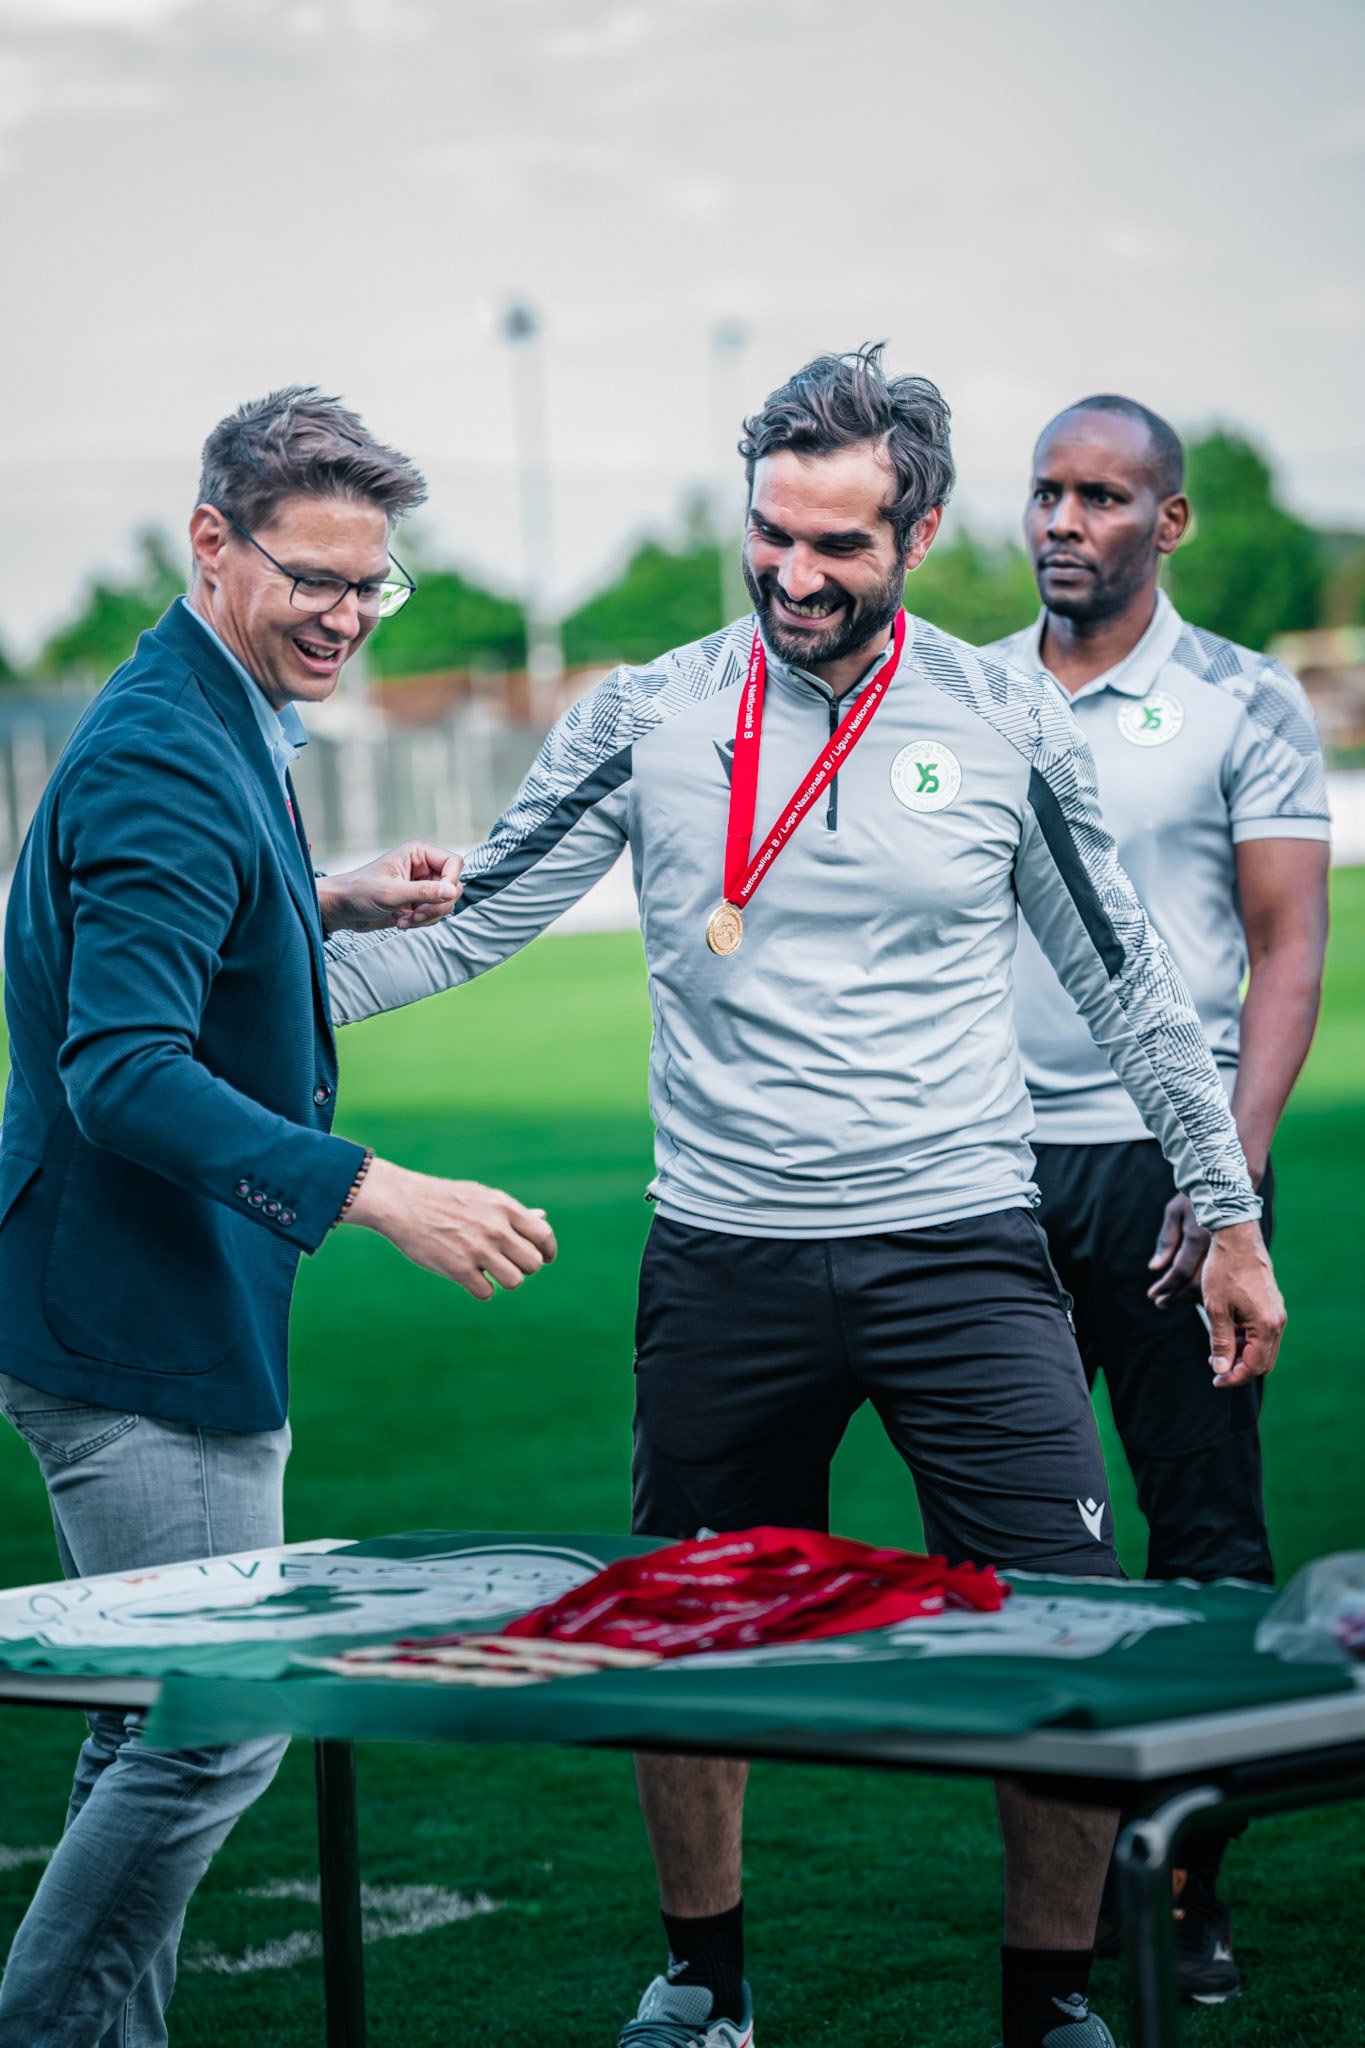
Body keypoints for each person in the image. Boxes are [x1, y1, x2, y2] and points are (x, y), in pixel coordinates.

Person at [325, 348, 1284, 2048]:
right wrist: (233, 986)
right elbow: (474, 924)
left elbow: (1132, 989)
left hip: (957, 1248)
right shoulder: (645, 708)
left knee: (1054, 1635)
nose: (793, 574)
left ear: (913, 534)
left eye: (838, 544)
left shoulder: (997, 721)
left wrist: (1223, 1209)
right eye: (770, 534)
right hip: (724, 1255)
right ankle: (703, 1980)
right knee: (682, 1635)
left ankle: (1049, 2001)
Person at [0, 388, 557, 2048]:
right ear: (212, 546)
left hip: (154, 1295)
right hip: (131, 1319)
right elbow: (123, 1072)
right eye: (311, 577)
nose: (342, 616)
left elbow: (150, 933)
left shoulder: (204, 705)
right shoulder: (170, 746)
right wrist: (377, 1190)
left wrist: (317, 897)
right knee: (218, 1717)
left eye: (367, 585)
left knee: (155, 1719)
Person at [986, 395, 1329, 2003]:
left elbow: (1286, 948)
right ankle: (1057, 1890)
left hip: (1165, 1166)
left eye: (1101, 495)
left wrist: (1227, 1174)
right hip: (979, 1165)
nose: (1063, 520)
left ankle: (1184, 1877)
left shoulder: (1238, 698)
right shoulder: (962, 691)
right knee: (1024, 1550)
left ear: (1166, 522)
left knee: (1199, 1534)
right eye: (1046, 490)